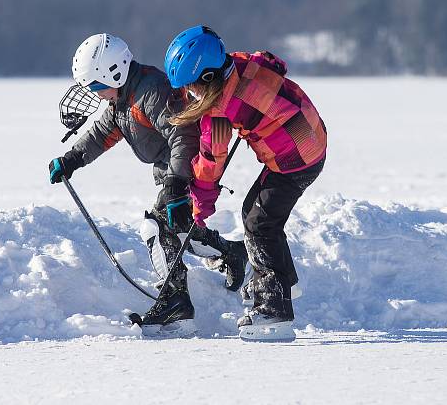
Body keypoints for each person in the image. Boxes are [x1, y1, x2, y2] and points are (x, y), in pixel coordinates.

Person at [49, 33, 248, 336]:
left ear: (113, 74)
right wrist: (72, 158)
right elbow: (103, 133)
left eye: (97, 87)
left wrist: (175, 185)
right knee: (179, 228)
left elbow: (183, 136)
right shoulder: (123, 98)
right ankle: (231, 253)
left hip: (189, 169)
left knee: (155, 227)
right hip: (174, 173)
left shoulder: (151, 92)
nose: (96, 94)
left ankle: (176, 301)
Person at [164, 25, 327, 341]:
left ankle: (274, 308)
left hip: (296, 157)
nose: (191, 95)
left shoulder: (221, 112)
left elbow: (211, 163)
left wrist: (200, 203)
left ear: (210, 78)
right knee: (257, 213)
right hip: (309, 137)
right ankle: (284, 281)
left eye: (193, 88)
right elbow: (271, 62)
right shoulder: (238, 64)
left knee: (259, 224)